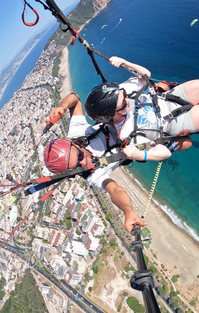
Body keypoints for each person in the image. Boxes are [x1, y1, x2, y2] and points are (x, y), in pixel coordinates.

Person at [43, 92, 147, 233]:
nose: (83, 162)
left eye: (79, 156)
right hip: (138, 142)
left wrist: (63, 106)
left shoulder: (77, 134)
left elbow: (76, 98)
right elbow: (115, 190)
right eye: (76, 166)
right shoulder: (92, 175)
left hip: (120, 121)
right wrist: (128, 210)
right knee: (184, 143)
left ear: (75, 144)